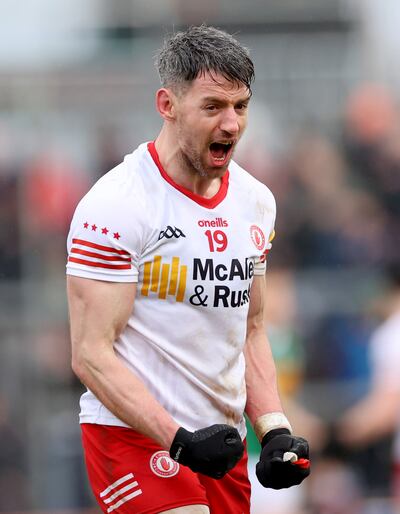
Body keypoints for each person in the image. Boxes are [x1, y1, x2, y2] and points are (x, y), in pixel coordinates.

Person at [66, 25, 310, 514]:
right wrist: (178, 440)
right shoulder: (117, 205)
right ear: (167, 105)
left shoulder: (256, 202)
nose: (231, 125)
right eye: (213, 107)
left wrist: (275, 428)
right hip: (132, 436)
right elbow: (90, 354)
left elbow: (251, 328)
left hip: (219, 442)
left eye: (240, 107)